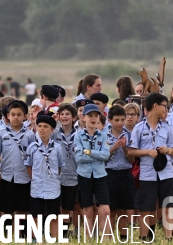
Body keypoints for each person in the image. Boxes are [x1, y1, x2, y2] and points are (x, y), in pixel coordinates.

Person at [128, 93, 173, 241]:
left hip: (167, 173)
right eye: (164, 106)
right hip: (147, 173)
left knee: (168, 205)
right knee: (146, 207)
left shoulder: (169, 128)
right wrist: (147, 152)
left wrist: (168, 150)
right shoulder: (139, 128)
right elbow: (131, 151)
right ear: (155, 106)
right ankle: (145, 237)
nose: (166, 109)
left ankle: (169, 237)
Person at [0, 100, 36, 231]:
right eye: (13, 114)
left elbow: (33, 156)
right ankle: (7, 235)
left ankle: (21, 235)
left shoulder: (30, 135)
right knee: (7, 209)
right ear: (8, 115)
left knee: (23, 209)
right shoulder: (1, 133)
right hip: (7, 176)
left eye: (19, 114)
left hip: (24, 177)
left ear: (25, 116)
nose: (16, 117)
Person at [74, 103, 111, 239]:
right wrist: (96, 155)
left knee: (105, 209)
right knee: (88, 210)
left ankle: (106, 238)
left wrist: (88, 151)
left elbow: (105, 155)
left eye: (96, 115)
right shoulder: (78, 136)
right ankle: (89, 238)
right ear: (84, 117)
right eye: (90, 115)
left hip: (100, 175)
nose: (93, 118)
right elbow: (79, 157)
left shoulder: (103, 136)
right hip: (84, 175)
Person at [26, 113, 64, 240]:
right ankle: (36, 239)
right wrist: (34, 178)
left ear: (52, 130)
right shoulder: (32, 147)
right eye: (39, 126)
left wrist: (53, 178)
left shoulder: (57, 148)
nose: (41, 129)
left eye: (45, 126)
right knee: (36, 215)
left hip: (53, 186)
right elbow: (28, 166)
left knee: (54, 215)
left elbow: (59, 166)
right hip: (37, 186)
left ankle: (54, 238)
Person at [105, 105, 135, 242]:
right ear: (109, 120)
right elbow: (102, 157)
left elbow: (132, 159)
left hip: (125, 173)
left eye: (122, 119)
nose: (120, 123)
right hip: (109, 173)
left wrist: (125, 149)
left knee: (124, 209)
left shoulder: (129, 135)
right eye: (116, 120)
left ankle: (123, 237)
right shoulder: (103, 134)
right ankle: (109, 237)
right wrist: (113, 148)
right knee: (111, 209)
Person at [53, 103, 79, 237]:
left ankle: (75, 231)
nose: (64, 116)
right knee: (61, 207)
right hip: (58, 176)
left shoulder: (79, 135)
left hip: (75, 174)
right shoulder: (54, 134)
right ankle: (62, 232)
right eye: (62, 114)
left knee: (73, 206)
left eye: (67, 114)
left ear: (74, 117)